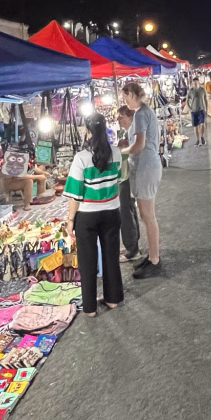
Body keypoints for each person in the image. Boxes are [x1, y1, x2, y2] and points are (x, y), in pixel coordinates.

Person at [64, 112, 125, 316]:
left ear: (88, 131)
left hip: (87, 216)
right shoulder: (116, 153)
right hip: (111, 213)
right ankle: (113, 298)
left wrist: (70, 221)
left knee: (88, 261)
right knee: (111, 256)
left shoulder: (81, 158)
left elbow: (75, 194)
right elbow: (117, 178)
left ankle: (90, 308)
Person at [121, 82, 164, 278]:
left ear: (131, 94)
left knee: (148, 216)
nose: (124, 101)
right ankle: (151, 255)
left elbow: (139, 145)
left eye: (125, 97)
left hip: (147, 168)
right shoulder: (143, 112)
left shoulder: (140, 114)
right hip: (145, 167)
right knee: (145, 216)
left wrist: (121, 152)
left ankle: (154, 260)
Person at [116, 105, 141, 261]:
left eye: (121, 116)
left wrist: (119, 151)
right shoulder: (128, 131)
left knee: (125, 210)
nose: (119, 119)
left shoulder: (133, 132)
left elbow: (134, 150)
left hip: (128, 174)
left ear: (130, 117)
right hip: (128, 173)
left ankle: (132, 249)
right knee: (129, 208)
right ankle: (133, 245)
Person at [187, 75, 208, 146]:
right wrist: (190, 109)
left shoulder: (202, 90)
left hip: (201, 109)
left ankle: (202, 136)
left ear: (199, 83)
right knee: (195, 126)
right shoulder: (190, 91)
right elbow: (187, 100)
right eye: (194, 83)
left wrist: (207, 109)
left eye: (196, 83)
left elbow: (206, 100)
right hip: (194, 111)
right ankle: (197, 139)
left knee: (202, 124)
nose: (195, 84)